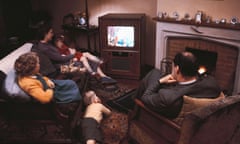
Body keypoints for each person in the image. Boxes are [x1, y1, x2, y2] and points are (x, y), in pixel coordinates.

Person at [134, 51, 222, 118]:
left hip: (163, 121)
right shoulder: (213, 84)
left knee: (153, 74)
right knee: (157, 73)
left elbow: (145, 97)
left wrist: (159, 82)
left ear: (177, 69)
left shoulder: (167, 97)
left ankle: (134, 108)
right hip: (182, 93)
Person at [32, 22, 117, 84]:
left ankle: (103, 77)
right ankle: (99, 75)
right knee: (85, 58)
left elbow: (60, 48)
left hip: (66, 58)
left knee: (86, 55)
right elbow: (59, 58)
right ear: (45, 34)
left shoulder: (47, 43)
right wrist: (72, 55)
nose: (52, 34)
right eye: (50, 32)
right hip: (63, 63)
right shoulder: (44, 48)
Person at [14, 52, 81, 104]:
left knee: (70, 83)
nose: (39, 64)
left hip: (50, 83)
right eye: (38, 63)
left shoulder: (30, 73)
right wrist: (50, 89)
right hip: (51, 93)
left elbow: (41, 77)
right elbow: (45, 98)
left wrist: (48, 80)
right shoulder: (28, 84)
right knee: (72, 92)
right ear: (31, 68)